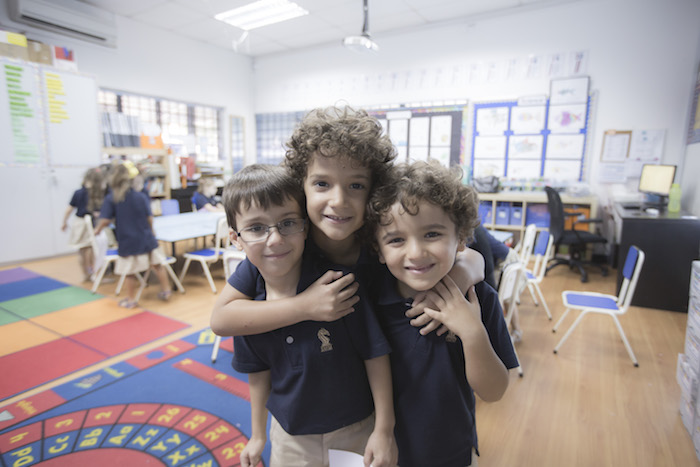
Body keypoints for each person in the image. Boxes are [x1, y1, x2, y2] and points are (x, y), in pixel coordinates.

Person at [211, 105, 484, 337]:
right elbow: (220, 319)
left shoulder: (385, 237)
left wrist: (455, 281)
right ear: (301, 185)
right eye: (321, 183)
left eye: (356, 186)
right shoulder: (289, 241)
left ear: (374, 189)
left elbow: (472, 257)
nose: (339, 200)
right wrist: (304, 306)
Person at [222, 164, 397, 467]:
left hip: (354, 430)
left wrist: (384, 430)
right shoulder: (249, 311)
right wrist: (257, 435)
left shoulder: (338, 286)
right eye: (256, 228)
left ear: (305, 226)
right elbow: (258, 374)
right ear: (236, 238)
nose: (275, 239)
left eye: (288, 223)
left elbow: (375, 355)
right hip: (290, 438)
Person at [366, 160, 519, 467]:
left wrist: (472, 332)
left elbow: (494, 391)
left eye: (432, 234)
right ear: (378, 250)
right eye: (396, 239)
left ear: (461, 238)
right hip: (380, 451)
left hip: (451, 452)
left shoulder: (479, 299)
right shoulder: (370, 298)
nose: (416, 253)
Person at [94, 163, 172, 308]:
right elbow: (149, 218)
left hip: (128, 239)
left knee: (130, 271)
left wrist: (97, 229)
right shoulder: (140, 196)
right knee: (157, 264)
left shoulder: (113, 198)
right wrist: (151, 230)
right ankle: (166, 290)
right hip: (146, 236)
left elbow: (105, 219)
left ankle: (131, 299)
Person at [61, 167, 105, 281]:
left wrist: (64, 222)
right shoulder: (97, 194)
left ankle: (86, 273)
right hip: (88, 224)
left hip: (79, 223)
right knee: (90, 248)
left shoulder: (78, 192)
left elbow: (69, 209)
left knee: (82, 250)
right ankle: (92, 272)